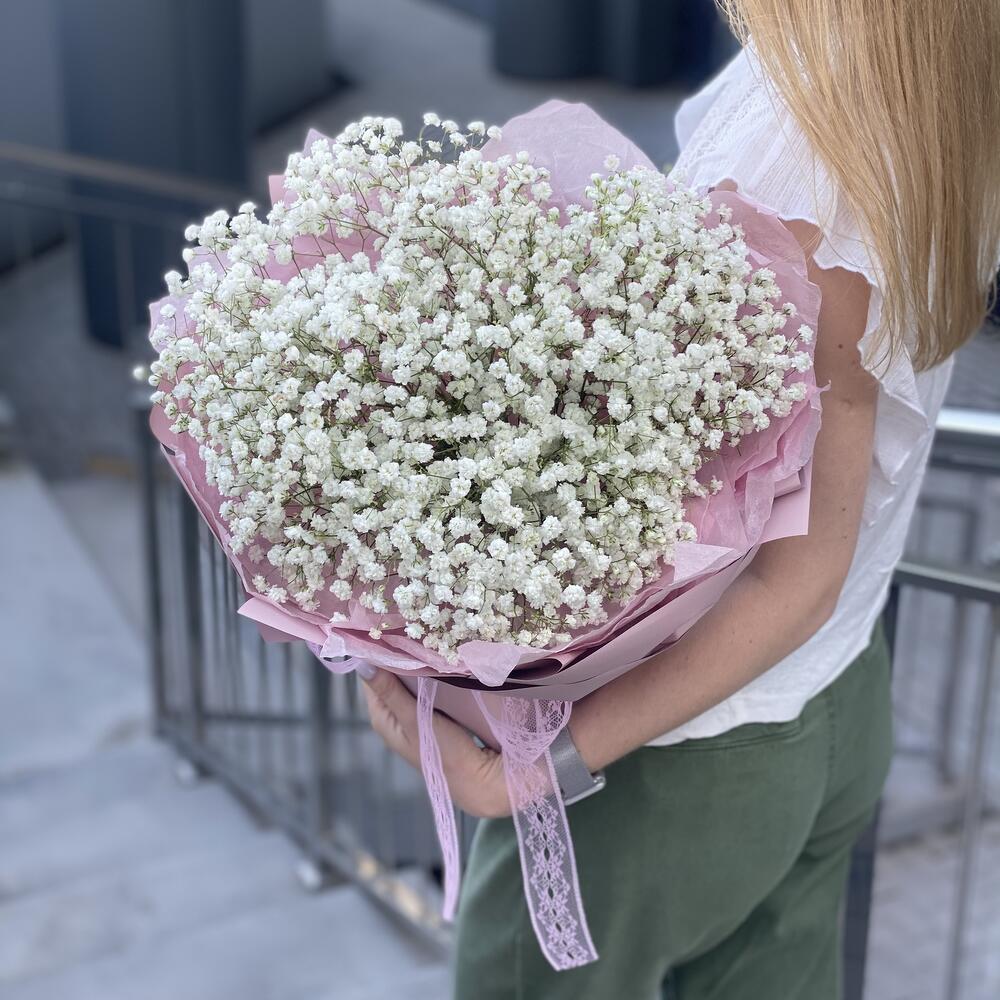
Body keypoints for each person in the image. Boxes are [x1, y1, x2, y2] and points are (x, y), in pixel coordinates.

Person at [359, 1, 1000, 996]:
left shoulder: (808, 164)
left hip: (677, 760)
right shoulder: (940, 84)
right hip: (835, 701)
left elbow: (796, 576)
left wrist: (535, 770)